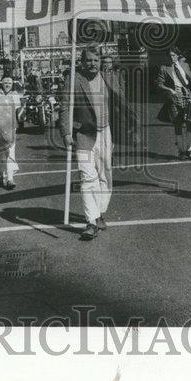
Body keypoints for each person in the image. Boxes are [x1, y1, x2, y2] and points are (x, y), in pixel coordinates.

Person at [60, 46, 137, 241]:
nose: (92, 64)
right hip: (83, 134)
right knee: (87, 177)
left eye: (96, 60)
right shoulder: (74, 79)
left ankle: (101, 211)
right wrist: (66, 133)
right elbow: (65, 107)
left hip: (106, 133)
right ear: (82, 61)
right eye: (88, 60)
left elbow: (122, 103)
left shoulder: (109, 78)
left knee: (105, 175)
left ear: (100, 61)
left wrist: (132, 128)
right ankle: (91, 221)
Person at [156, 45, 191, 159]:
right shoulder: (164, 68)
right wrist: (169, 90)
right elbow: (159, 84)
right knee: (178, 123)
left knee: (190, 122)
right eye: (170, 56)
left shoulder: (184, 65)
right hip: (174, 97)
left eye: (174, 55)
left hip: (187, 96)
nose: (172, 58)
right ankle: (181, 151)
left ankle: (189, 150)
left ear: (178, 56)